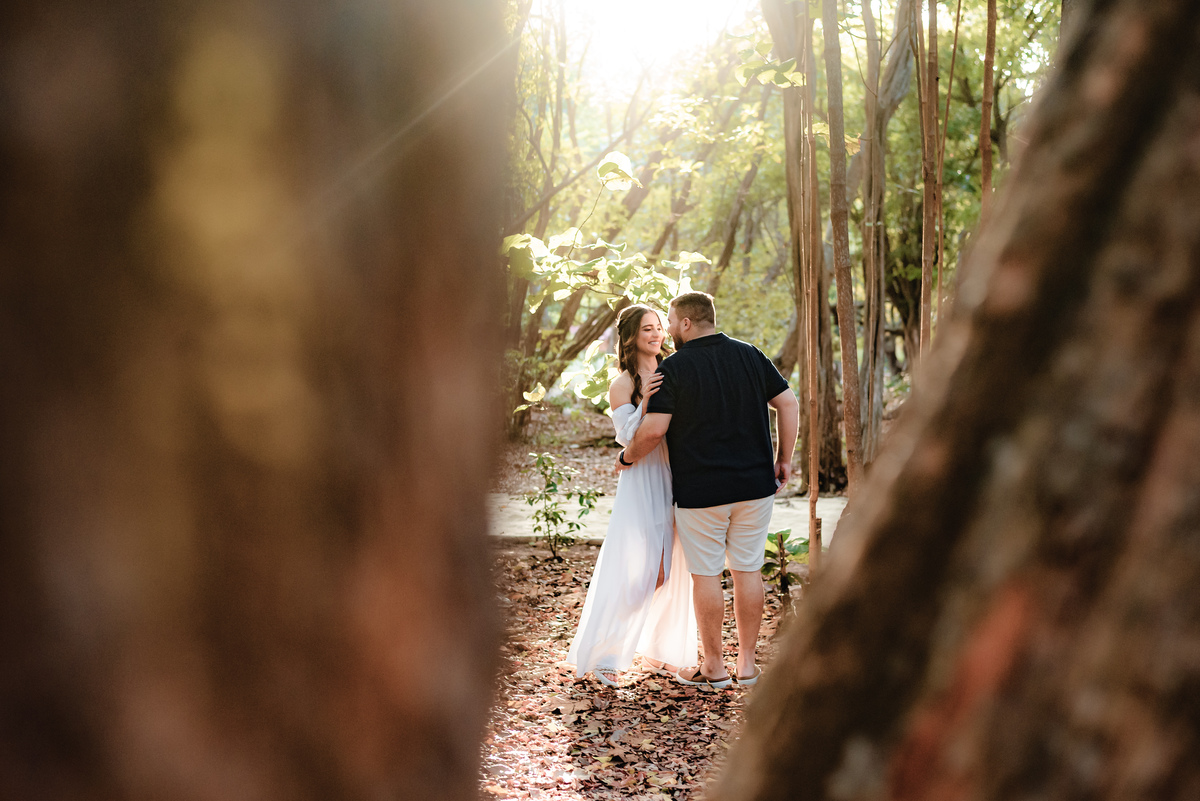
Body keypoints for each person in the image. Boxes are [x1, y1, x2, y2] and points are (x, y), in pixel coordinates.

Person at [617, 292, 798, 689]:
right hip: (755, 487)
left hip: (701, 493)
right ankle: (747, 666)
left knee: (706, 577)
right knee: (748, 570)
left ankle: (714, 668)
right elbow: (788, 402)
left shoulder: (675, 369)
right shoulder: (751, 354)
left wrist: (627, 458)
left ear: (684, 323)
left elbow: (653, 430)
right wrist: (784, 458)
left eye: (669, 320)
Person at [566, 305, 698, 687]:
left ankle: (661, 651)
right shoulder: (622, 382)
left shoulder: (674, 367)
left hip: (677, 473)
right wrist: (645, 401)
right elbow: (626, 437)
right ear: (631, 337)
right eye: (647, 330)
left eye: (659, 328)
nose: (657, 335)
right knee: (641, 570)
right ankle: (606, 652)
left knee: (669, 569)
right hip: (642, 476)